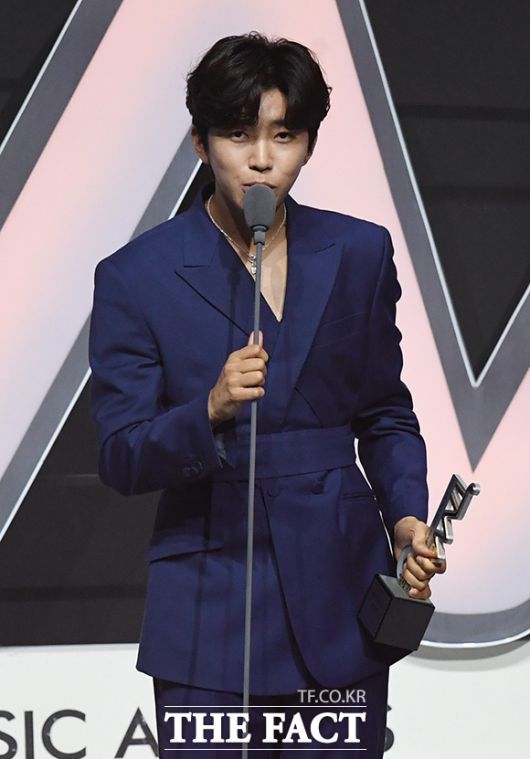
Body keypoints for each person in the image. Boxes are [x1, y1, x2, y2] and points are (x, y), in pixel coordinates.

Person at [89, 32, 445, 757]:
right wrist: (208, 410)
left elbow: (385, 411)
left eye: (283, 135)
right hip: (210, 602)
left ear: (308, 144)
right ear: (200, 143)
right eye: (237, 134)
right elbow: (121, 454)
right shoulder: (136, 275)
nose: (260, 158)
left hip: (340, 594)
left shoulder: (360, 252)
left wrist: (407, 514)